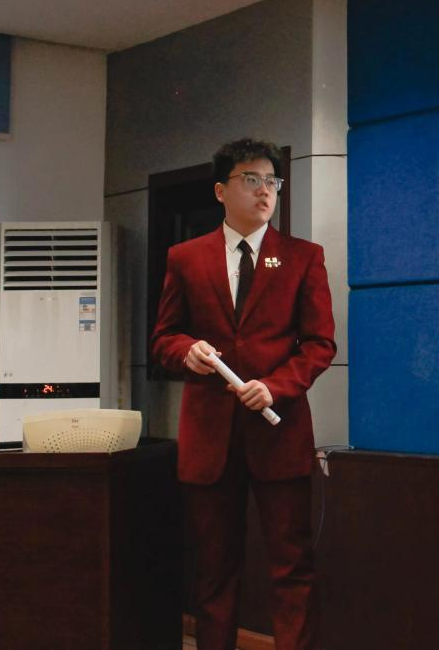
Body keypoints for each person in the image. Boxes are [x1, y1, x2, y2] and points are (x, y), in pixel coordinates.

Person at [151, 138, 335, 650]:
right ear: (220, 191)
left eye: (272, 181)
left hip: (280, 432)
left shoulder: (303, 257)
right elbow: (163, 338)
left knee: (292, 565)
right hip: (209, 437)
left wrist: (275, 387)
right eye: (251, 179)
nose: (264, 191)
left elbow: (320, 344)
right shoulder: (186, 258)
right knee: (213, 569)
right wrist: (185, 351)